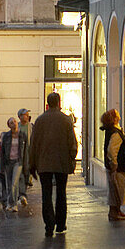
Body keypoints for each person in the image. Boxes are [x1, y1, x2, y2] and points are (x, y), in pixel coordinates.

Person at [29, 91, 78, 237]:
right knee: (61, 193)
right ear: (59, 103)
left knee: (46, 194)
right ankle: (61, 224)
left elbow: (34, 144)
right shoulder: (66, 120)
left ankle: (49, 225)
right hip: (62, 162)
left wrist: (32, 164)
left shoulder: (40, 120)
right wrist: (71, 158)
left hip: (44, 163)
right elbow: (72, 143)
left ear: (47, 103)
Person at [100, 109, 125, 221]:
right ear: (115, 118)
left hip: (115, 166)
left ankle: (117, 211)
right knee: (116, 190)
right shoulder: (115, 133)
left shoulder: (112, 131)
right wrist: (114, 164)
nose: (120, 116)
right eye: (118, 114)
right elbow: (112, 150)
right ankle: (114, 212)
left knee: (116, 189)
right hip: (117, 167)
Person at [0, 116, 28, 212]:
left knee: (14, 183)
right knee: (9, 183)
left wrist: (26, 163)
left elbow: (25, 150)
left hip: (18, 161)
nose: (14, 123)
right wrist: (2, 165)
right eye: (11, 122)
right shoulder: (6, 136)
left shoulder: (22, 135)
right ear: (9, 125)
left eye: (15, 121)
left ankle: (13, 204)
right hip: (8, 162)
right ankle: (10, 203)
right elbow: (3, 152)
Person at [16, 107, 33, 195]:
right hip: (19, 153)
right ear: (20, 116)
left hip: (29, 152)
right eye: (25, 115)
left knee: (27, 171)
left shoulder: (31, 127)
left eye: (27, 115)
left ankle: (24, 188)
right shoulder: (17, 127)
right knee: (20, 172)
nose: (27, 117)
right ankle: (22, 193)